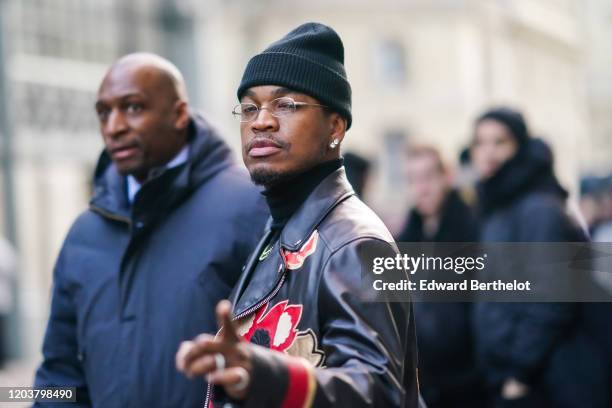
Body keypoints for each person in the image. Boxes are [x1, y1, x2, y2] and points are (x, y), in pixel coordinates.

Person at [176, 22, 419, 408]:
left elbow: (378, 391)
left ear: (335, 127)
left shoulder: (354, 243)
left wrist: (265, 375)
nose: (261, 121)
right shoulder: (279, 232)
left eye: (286, 105)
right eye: (250, 107)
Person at [34, 53, 268, 407]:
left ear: (178, 114)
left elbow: (286, 355)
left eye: (133, 108)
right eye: (103, 113)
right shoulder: (83, 234)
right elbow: (58, 373)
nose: (114, 127)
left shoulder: (251, 207)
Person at [470, 107, 608, 407]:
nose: (488, 152)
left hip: (544, 380)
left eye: (500, 142)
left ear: (519, 147)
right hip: (513, 376)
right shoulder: (499, 206)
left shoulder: (538, 208)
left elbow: (551, 300)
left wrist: (519, 374)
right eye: (480, 142)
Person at [396, 146, 485, 408]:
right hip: (421, 380)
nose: (421, 188)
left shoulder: (473, 231)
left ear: (446, 176)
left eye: (427, 177)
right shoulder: (405, 240)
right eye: (413, 180)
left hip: (468, 382)